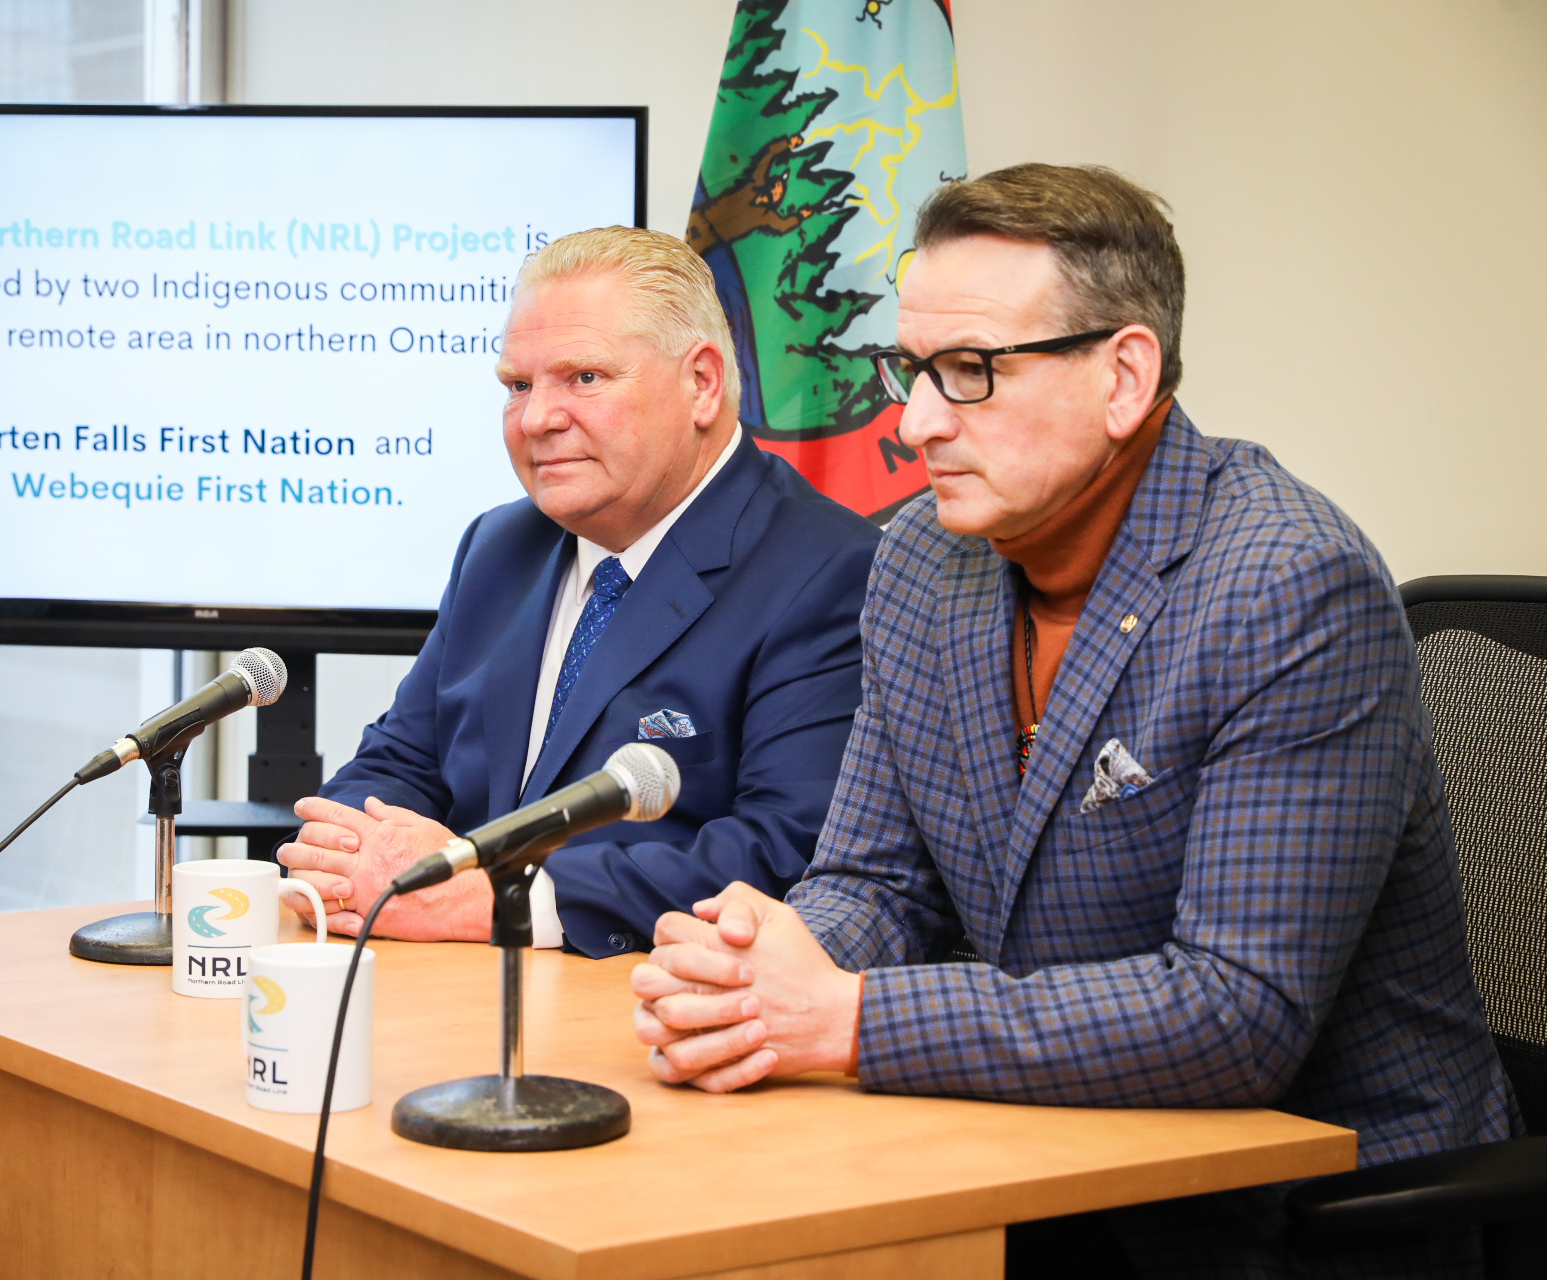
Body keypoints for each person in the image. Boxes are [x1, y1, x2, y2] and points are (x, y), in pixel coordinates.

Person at [629, 165, 1518, 1276]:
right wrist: (764, 972)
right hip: (1032, 1155)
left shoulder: (1292, 583)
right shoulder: (917, 559)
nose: (913, 423)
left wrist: (846, 1017)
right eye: (913, 370)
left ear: (1123, 374)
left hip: (1303, 1212)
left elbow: (1235, 1012)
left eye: (971, 373)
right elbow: (876, 880)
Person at [279, 227, 880, 956]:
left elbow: (787, 854)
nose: (537, 420)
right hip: (445, 994)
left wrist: (503, 900)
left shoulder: (829, 571)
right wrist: (346, 862)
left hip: (644, 1013)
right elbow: (399, 764)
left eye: (584, 378)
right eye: (517, 386)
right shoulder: (500, 547)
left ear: (702, 383)